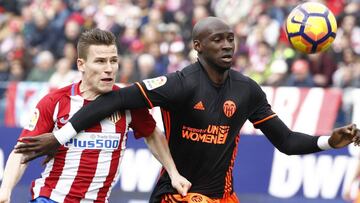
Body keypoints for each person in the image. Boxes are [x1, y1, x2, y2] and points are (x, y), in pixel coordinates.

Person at [14, 17, 360, 203]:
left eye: (230, 39)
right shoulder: (178, 84)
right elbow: (115, 99)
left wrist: (329, 141)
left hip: (223, 197)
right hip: (177, 196)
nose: (226, 45)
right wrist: (59, 137)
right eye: (217, 40)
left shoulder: (246, 90)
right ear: (197, 46)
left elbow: (285, 141)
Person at [0, 28, 191, 203]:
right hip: (52, 198)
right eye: (100, 61)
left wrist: (173, 174)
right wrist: (5, 191)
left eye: (113, 60)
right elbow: (22, 150)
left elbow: (152, 133)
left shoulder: (127, 102)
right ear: (81, 64)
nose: (109, 68)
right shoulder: (56, 101)